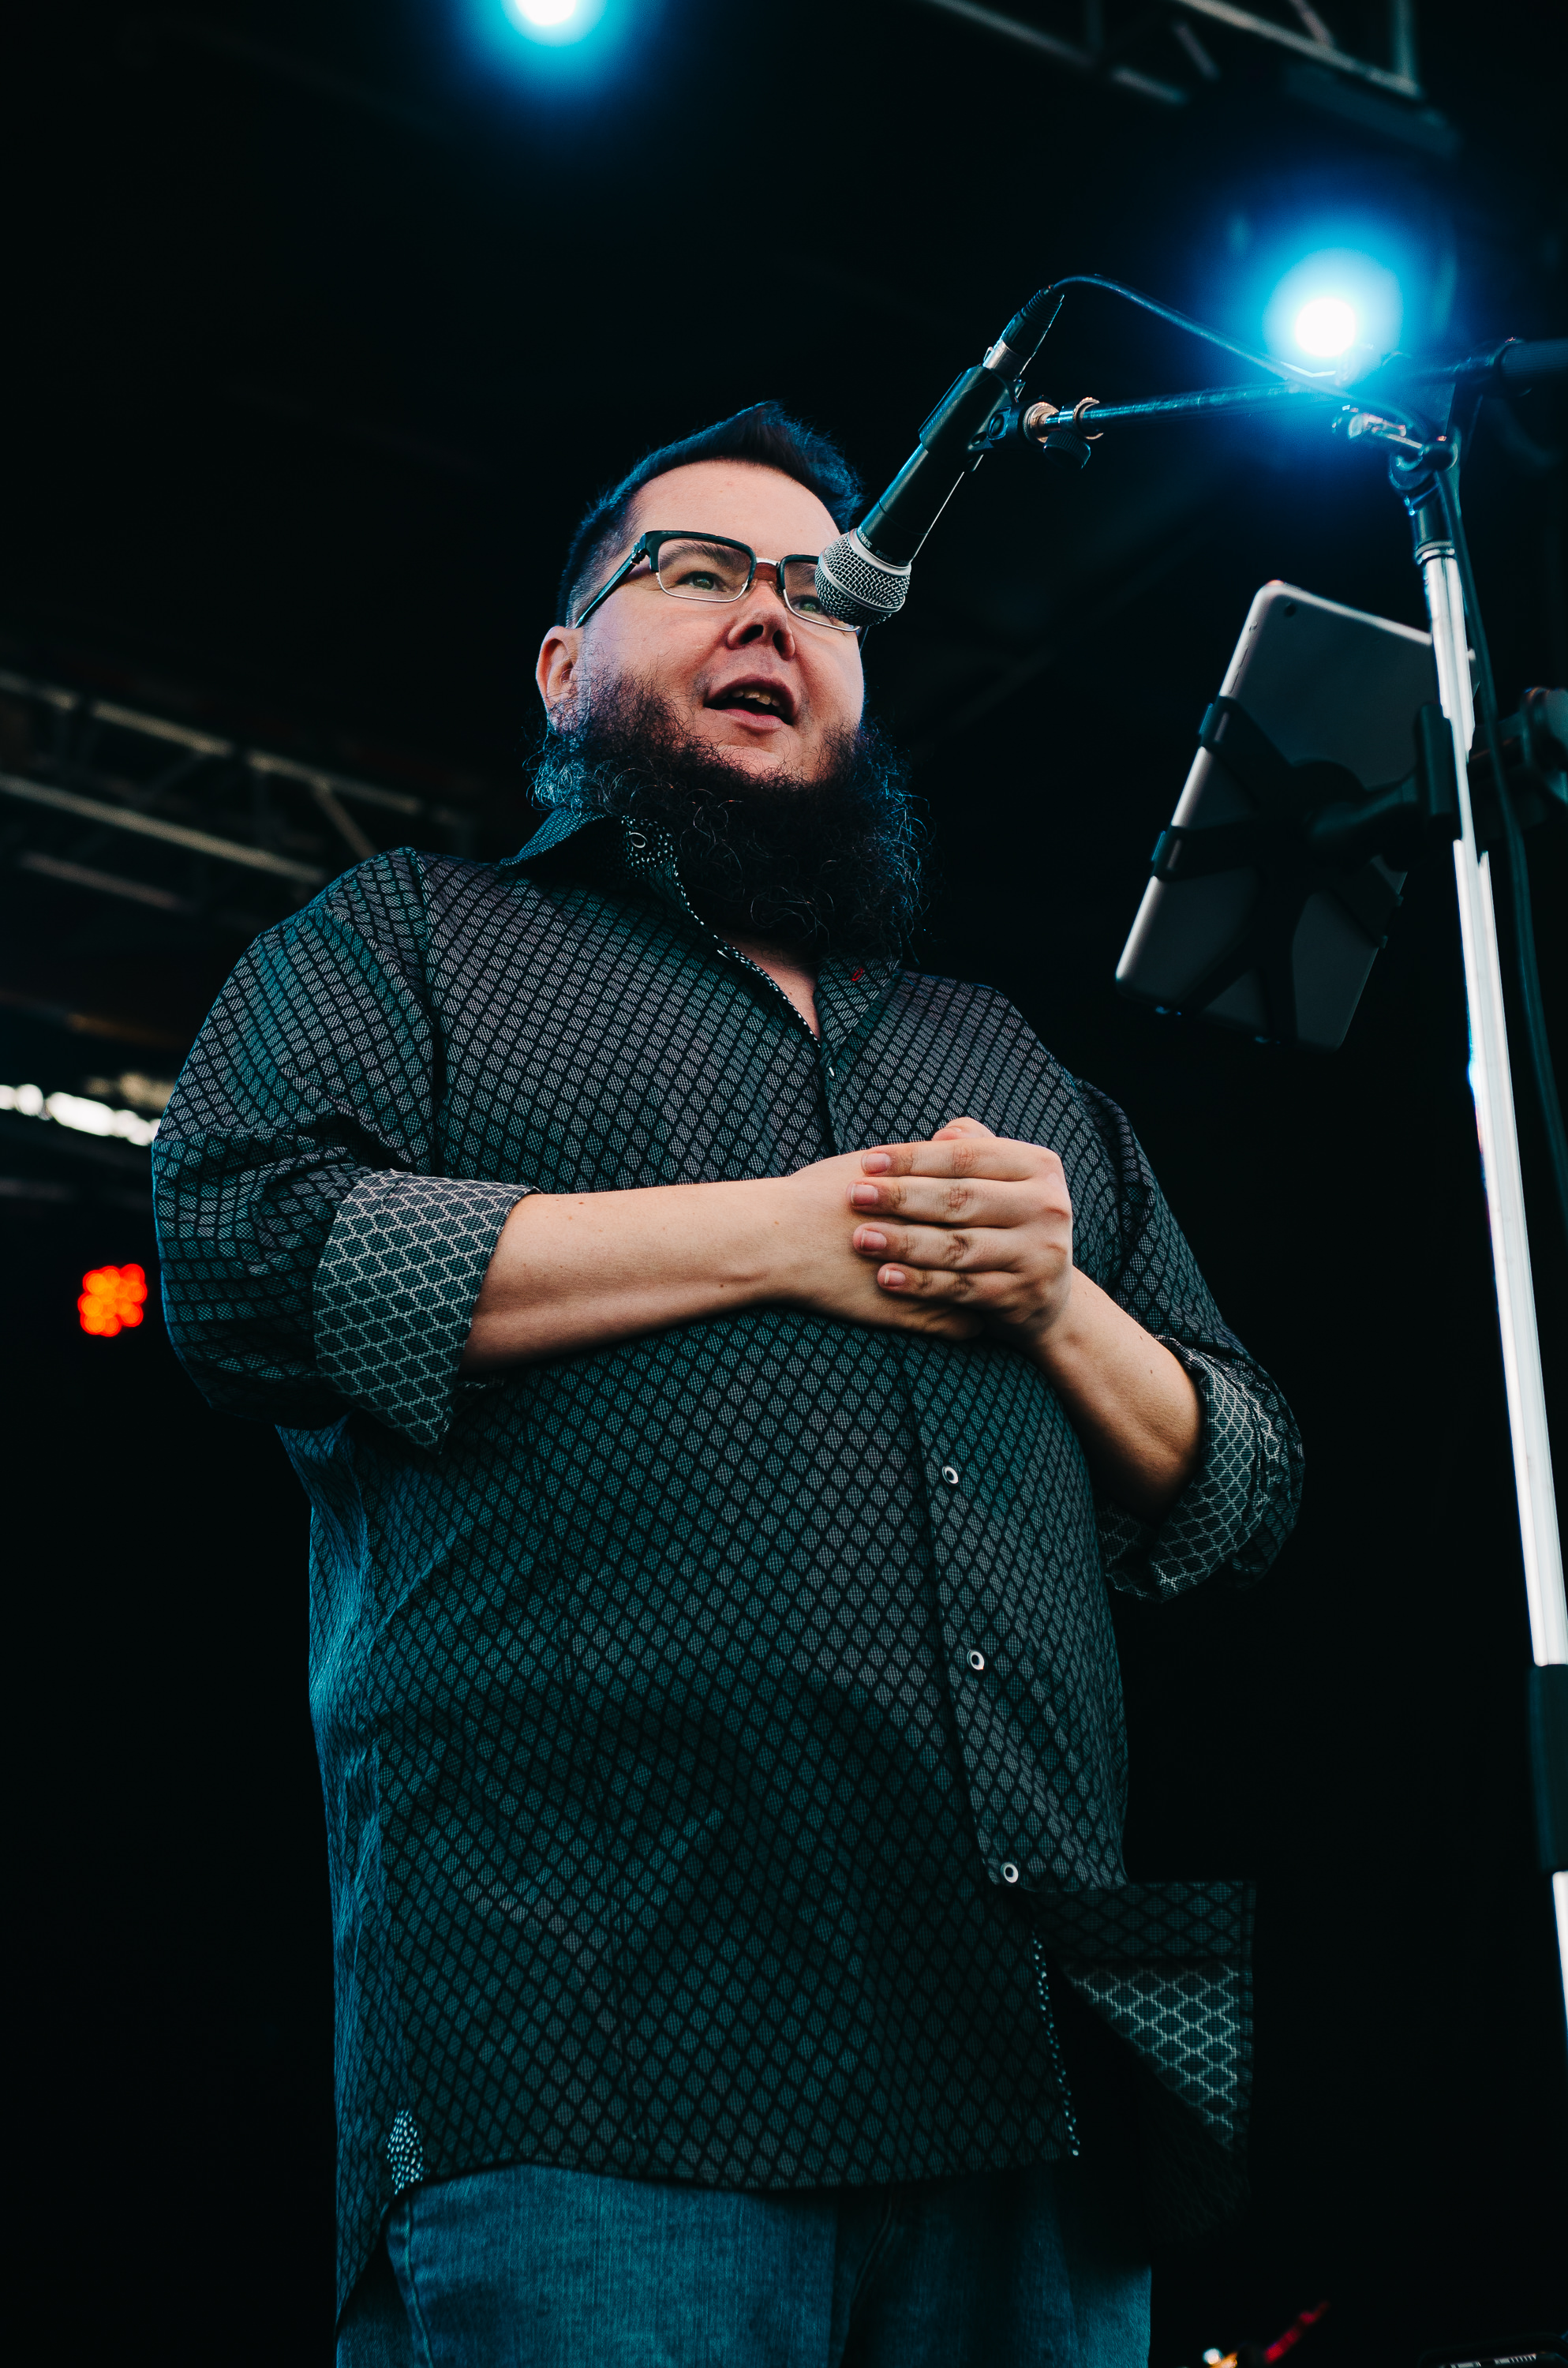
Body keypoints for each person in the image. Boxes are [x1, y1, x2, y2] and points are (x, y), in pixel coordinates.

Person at [153, 402, 1302, 2368]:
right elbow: (249, 1258)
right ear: (564, 660)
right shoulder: (413, 941)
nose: (770, 616)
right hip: (588, 2057)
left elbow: (1243, 1485)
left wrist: (1058, 1304)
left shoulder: (1006, 1060)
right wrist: (777, 1233)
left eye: (821, 595)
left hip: (1016, 2059)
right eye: (698, 574)